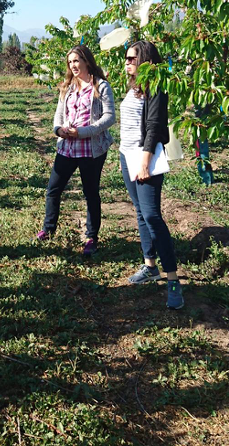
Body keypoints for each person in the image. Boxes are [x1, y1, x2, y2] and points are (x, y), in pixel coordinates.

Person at [120, 40, 183, 310]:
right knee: (139, 211)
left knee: (152, 216)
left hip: (143, 157)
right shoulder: (133, 87)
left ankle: (173, 280)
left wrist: (144, 160)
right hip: (127, 155)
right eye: (126, 58)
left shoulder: (155, 87)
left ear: (144, 61)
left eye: (132, 58)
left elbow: (155, 125)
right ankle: (150, 266)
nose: (127, 62)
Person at [37, 45, 115, 256]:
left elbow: (109, 117)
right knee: (54, 188)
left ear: (87, 62)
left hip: (91, 149)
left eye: (76, 61)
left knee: (91, 193)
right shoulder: (67, 87)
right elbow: (58, 116)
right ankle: (48, 229)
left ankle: (91, 237)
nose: (73, 65)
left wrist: (83, 132)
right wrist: (58, 130)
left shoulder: (101, 86)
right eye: (70, 62)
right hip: (67, 148)